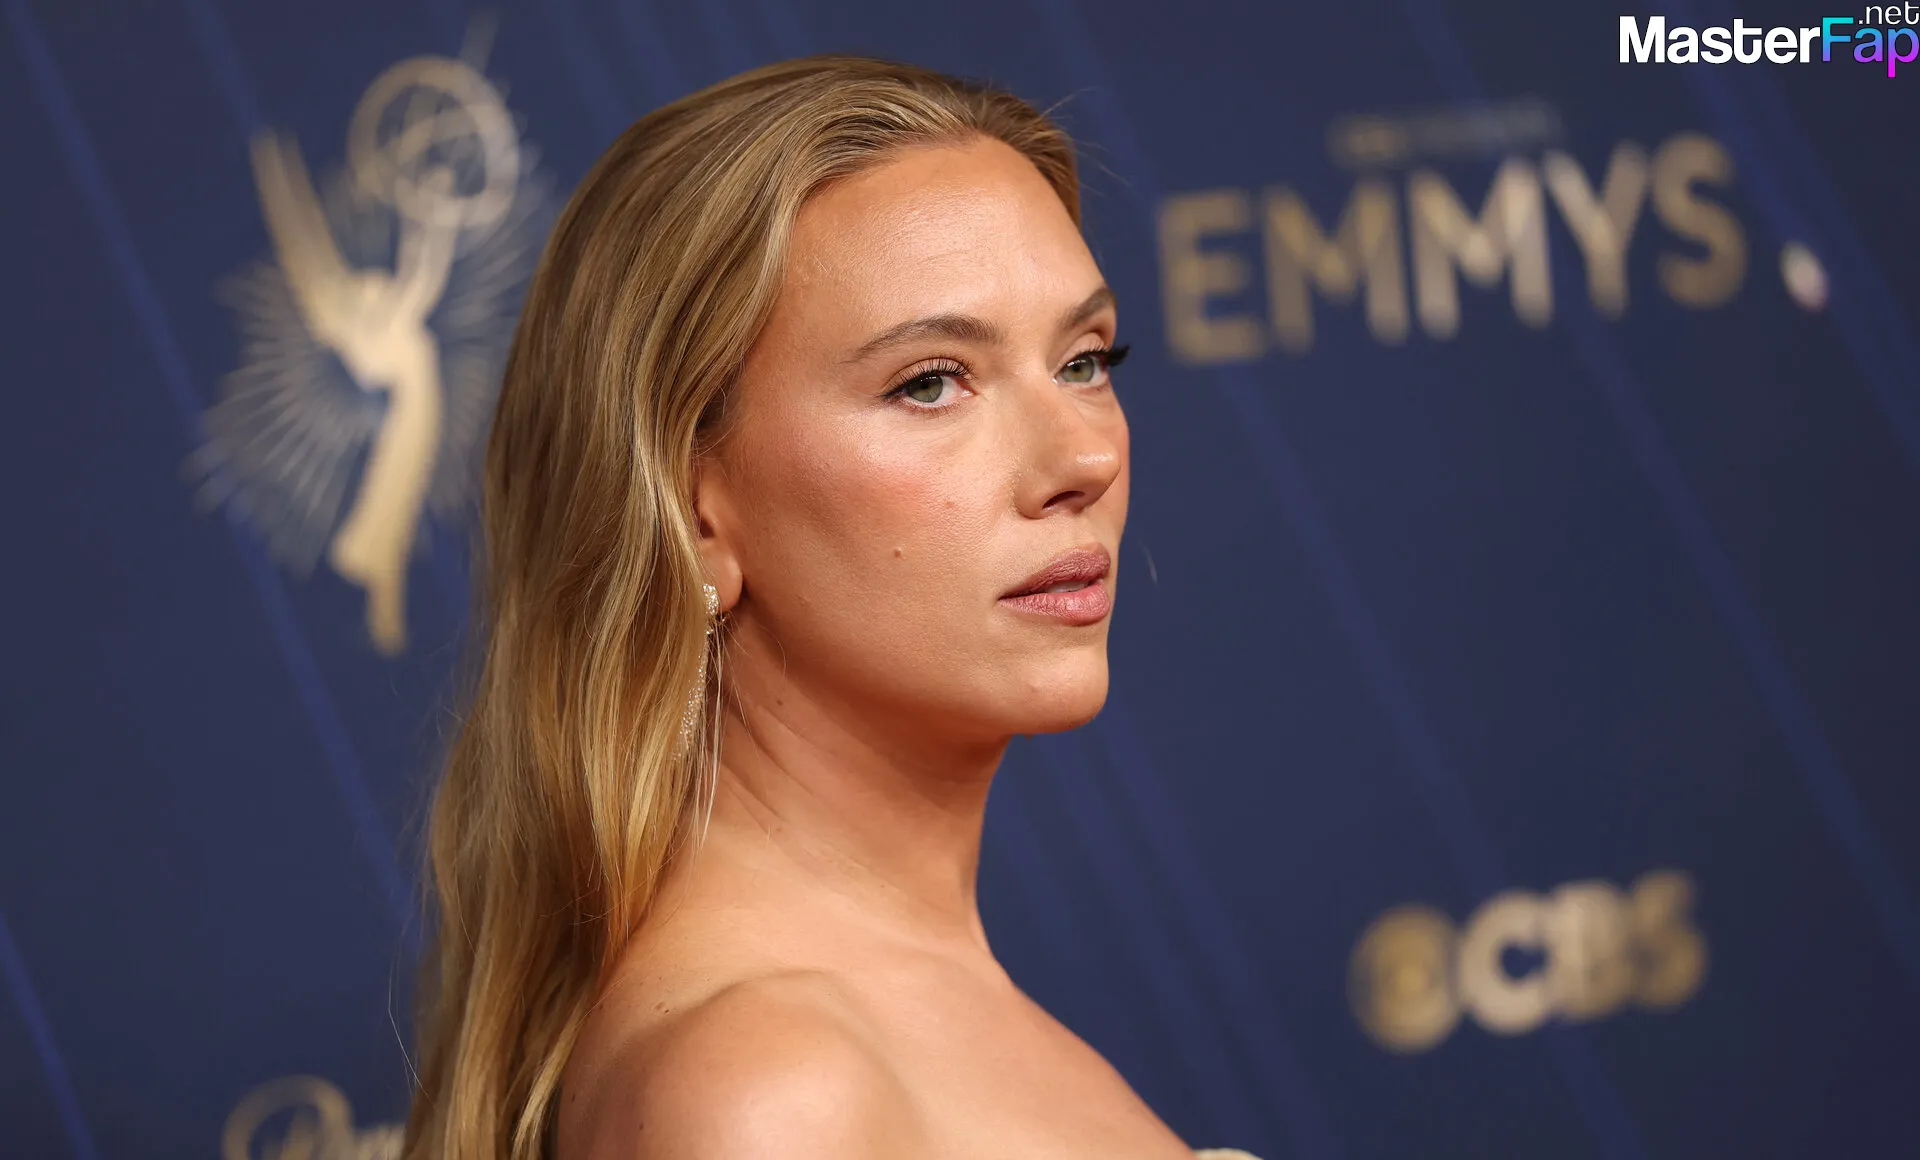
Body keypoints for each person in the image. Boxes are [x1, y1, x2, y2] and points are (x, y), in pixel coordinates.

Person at [401, 53, 1258, 1160]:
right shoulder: (775, 1091)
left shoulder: (853, 1025)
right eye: (931, 382)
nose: (1084, 458)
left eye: (1086, 360)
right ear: (692, 513)